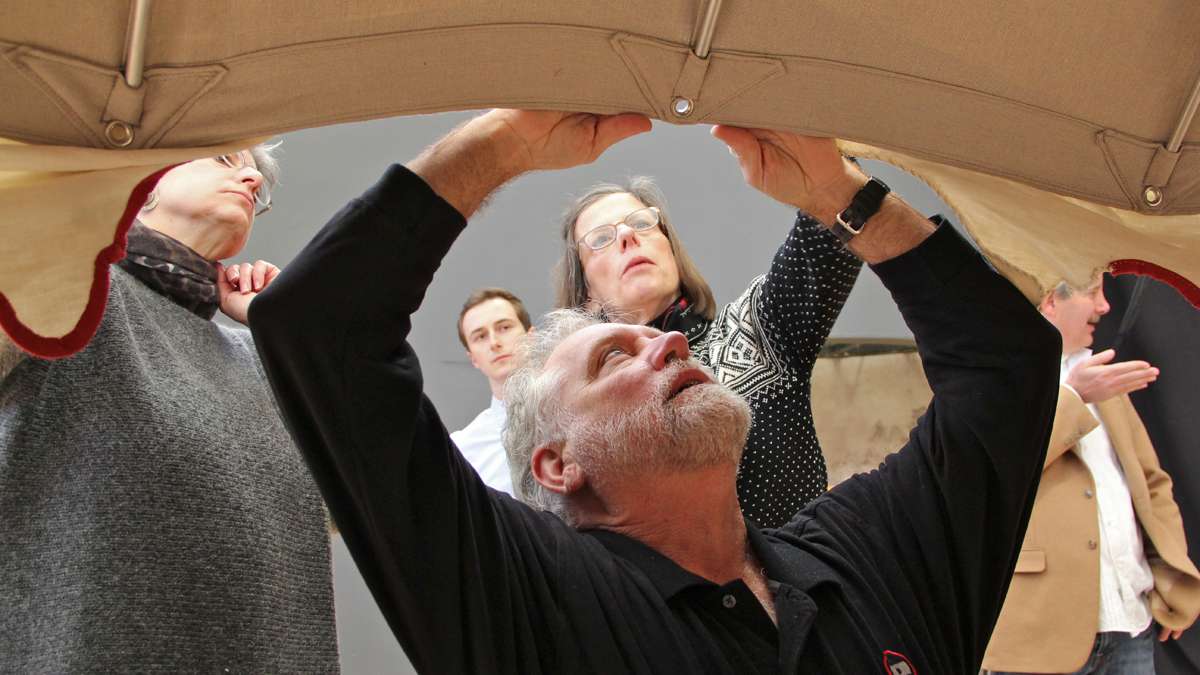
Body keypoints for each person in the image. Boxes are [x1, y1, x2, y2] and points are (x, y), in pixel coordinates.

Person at [249, 109, 1060, 674]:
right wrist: (509, 141)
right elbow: (321, 330)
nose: (670, 344)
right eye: (611, 359)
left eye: (644, 221)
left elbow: (1008, 365)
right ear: (556, 462)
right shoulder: (534, 598)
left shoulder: (865, 558)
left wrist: (840, 189)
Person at [0, 148, 339, 672]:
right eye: (224, 157)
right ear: (145, 175)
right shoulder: (66, 297)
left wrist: (294, 343)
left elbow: (339, 512)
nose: (250, 177)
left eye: (253, 172)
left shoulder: (261, 357)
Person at [553, 172, 861, 527]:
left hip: (806, 574)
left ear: (670, 250)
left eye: (641, 222)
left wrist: (817, 164)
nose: (626, 235)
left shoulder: (755, 329)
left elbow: (832, 216)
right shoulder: (581, 405)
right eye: (601, 238)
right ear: (587, 295)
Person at [983, 278, 1200, 675]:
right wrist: (1074, 397)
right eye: (1091, 293)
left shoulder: (1100, 376)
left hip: (1130, 626)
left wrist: (1172, 577)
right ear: (1052, 301)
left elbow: (1151, 485)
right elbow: (994, 471)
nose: (1104, 307)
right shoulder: (995, 375)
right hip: (1039, 635)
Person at [450, 287, 533, 494]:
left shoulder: (576, 413)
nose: (494, 343)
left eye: (504, 327)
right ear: (473, 358)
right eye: (480, 337)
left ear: (531, 336)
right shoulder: (462, 450)